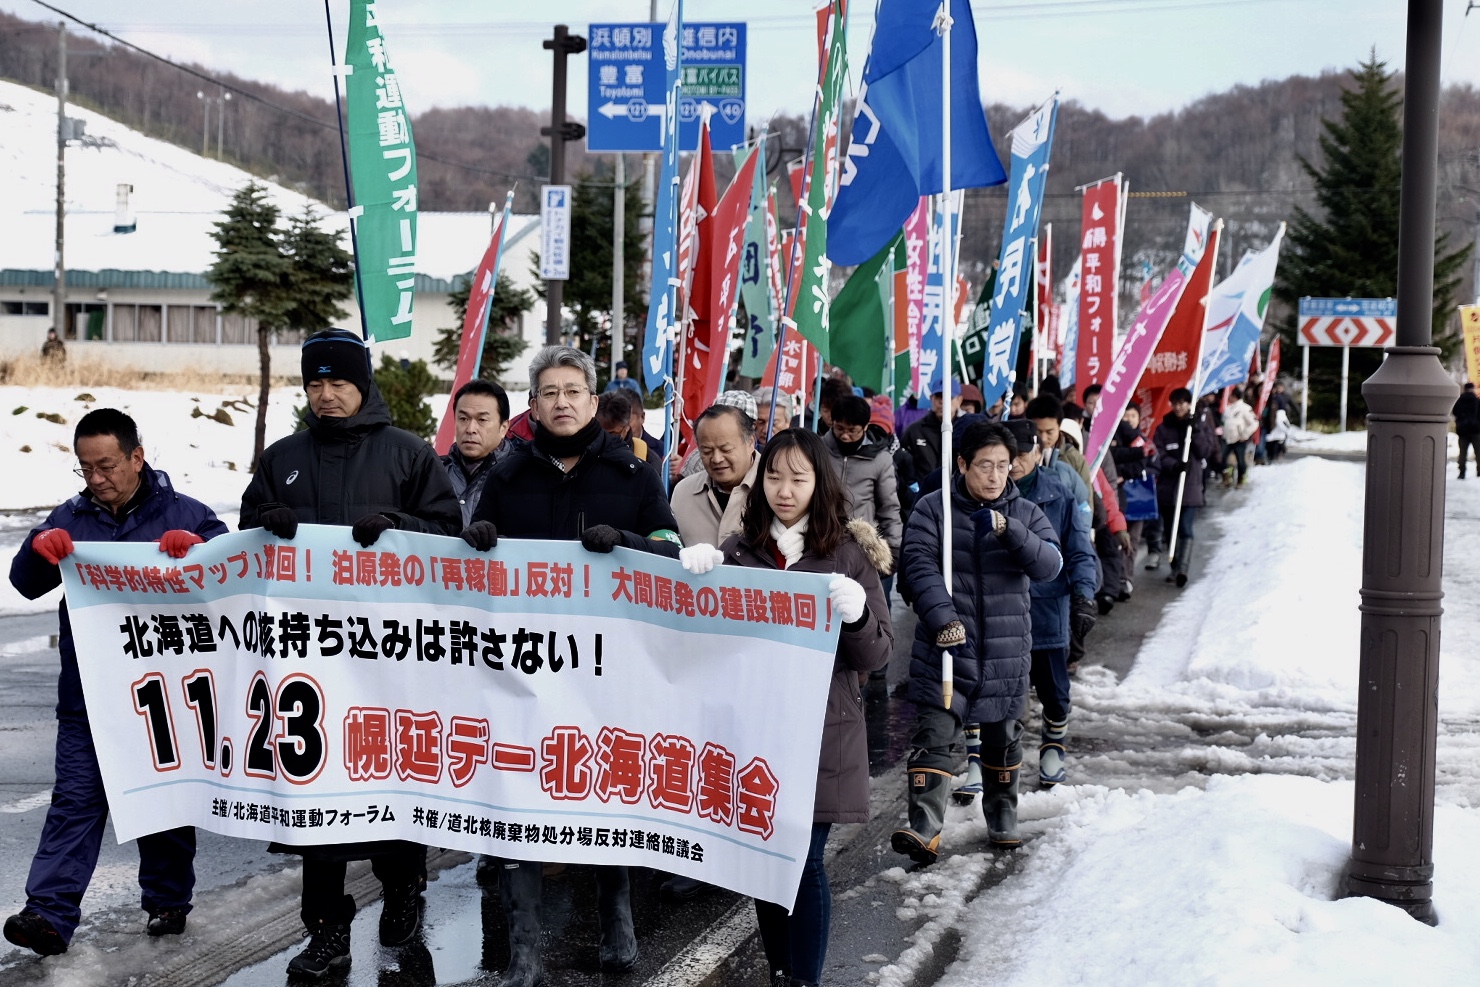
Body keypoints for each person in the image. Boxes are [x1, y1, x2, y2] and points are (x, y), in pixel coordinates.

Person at [240, 327, 462, 978]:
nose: (327, 394)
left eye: (339, 382)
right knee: (315, 798)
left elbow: (448, 534)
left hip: (388, 661)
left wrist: (400, 528)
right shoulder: (282, 455)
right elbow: (243, 543)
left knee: (387, 779)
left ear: (363, 384)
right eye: (316, 383)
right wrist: (265, 522)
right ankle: (326, 930)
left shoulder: (407, 454)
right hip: (306, 661)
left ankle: (403, 890)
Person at [462, 345, 682, 987]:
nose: (561, 402)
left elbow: (671, 547)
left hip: (608, 670)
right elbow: (476, 560)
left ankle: (617, 914)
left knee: (604, 791)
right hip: (524, 668)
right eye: (548, 392)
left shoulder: (632, 472)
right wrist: (475, 542)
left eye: (572, 391)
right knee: (518, 796)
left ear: (592, 400)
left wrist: (630, 544)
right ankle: (525, 946)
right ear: (532, 406)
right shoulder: (507, 474)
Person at [5, 408, 228, 956]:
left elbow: (233, 580)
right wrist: (39, 549)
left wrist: (201, 553)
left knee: (163, 802)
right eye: (85, 469)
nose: (96, 478)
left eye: (106, 466)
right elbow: (24, 583)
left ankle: (168, 900)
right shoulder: (72, 517)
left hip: (166, 698)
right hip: (89, 694)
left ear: (136, 457)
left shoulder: (189, 513)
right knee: (76, 801)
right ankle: (48, 914)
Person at [678, 428, 892, 987]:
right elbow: (702, 645)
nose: (785, 489)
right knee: (767, 863)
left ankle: (804, 980)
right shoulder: (740, 552)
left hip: (824, 732)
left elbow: (877, 652)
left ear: (820, 483)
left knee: (804, 862)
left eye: (799, 478)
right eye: (774, 476)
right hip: (755, 735)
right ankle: (781, 972)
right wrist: (692, 579)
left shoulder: (847, 553)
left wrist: (857, 616)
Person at [892, 421, 1062, 863]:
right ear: (962, 463)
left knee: (1003, 738)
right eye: (984, 465)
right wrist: (943, 619)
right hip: (947, 647)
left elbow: (1049, 564)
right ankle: (924, 827)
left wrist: (1010, 531)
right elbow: (918, 567)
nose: (994, 476)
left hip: (1006, 650)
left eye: (1003, 466)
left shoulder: (1024, 512)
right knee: (935, 735)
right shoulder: (934, 510)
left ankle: (1003, 815)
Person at [1004, 419, 1097, 787]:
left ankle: (1053, 748)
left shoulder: (1058, 493)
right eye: (1008, 455)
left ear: (1039, 452)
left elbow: (1080, 550)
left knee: (1055, 693)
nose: (1014, 464)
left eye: (1023, 454)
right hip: (1002, 612)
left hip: (1046, 611)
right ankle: (991, 762)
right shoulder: (990, 492)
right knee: (998, 693)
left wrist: (1084, 595)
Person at [821, 395, 902, 578]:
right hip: (821, 541)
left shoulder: (880, 459)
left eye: (852, 431)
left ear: (865, 428)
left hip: (861, 547)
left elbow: (889, 506)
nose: (845, 435)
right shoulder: (818, 450)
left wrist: (894, 545)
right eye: (839, 428)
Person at [670, 403, 759, 565]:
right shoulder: (684, 492)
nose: (717, 459)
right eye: (707, 451)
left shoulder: (776, 489)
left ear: (750, 442)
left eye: (726, 449)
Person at [1152, 387, 1219, 587]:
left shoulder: (1199, 425)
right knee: (1170, 530)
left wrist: (1196, 430)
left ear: (1189, 404)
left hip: (1190, 487)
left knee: (1185, 527)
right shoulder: (1164, 428)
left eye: (1183, 403)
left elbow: (1205, 450)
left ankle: (1183, 568)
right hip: (1168, 488)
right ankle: (1174, 567)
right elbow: (1158, 454)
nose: (1179, 407)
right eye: (1175, 403)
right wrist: (1173, 465)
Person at [442, 379, 511, 526]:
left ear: (503, 427)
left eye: (482, 420)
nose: (470, 429)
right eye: (463, 419)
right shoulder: (434, 473)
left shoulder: (520, 475)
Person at [902, 380, 963, 496]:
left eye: (948, 397)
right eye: (938, 397)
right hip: (921, 498)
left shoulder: (965, 430)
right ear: (931, 398)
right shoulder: (915, 430)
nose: (942, 402)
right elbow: (902, 465)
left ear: (959, 400)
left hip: (956, 498)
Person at [1221, 386, 1259, 487]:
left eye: (1231, 396)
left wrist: (1245, 434)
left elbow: (1254, 423)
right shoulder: (1228, 408)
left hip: (1239, 438)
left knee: (1240, 460)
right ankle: (1226, 479)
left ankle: (1240, 480)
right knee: (1221, 458)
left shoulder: (1245, 408)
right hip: (1227, 438)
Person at [1454, 382, 1480, 479]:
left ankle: (1462, 472)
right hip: (1476, 431)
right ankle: (1479, 472)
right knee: (1478, 452)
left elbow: (1455, 412)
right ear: (1473, 389)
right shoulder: (1477, 401)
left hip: (1462, 431)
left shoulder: (1459, 401)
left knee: (1462, 453)